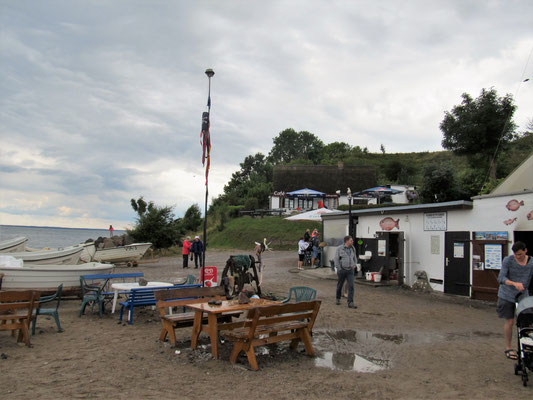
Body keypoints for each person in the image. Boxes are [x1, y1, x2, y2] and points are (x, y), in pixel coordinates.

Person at [497, 241, 533, 360]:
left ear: (525, 251)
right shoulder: (508, 260)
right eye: (516, 255)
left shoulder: (531, 262)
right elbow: (501, 278)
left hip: (523, 295)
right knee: (510, 321)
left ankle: (527, 347)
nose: (518, 257)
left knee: (527, 323)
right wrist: (514, 283)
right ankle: (508, 347)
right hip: (507, 294)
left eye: (520, 254)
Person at [334, 235, 358, 309]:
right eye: (351, 240)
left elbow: (354, 257)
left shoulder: (353, 248)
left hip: (350, 270)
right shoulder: (339, 249)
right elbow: (336, 259)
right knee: (340, 285)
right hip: (342, 270)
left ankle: (350, 302)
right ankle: (338, 298)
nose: (352, 241)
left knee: (351, 286)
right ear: (346, 241)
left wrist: (354, 264)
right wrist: (339, 268)